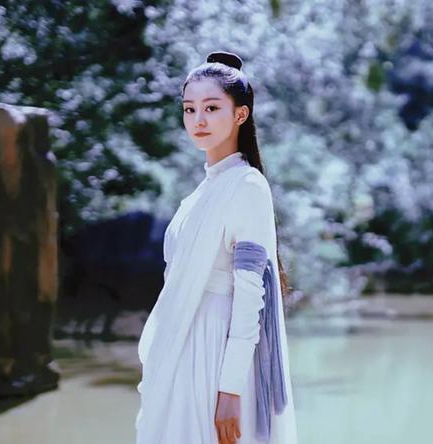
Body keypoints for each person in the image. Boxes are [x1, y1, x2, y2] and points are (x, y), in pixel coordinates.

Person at [135, 51, 298, 444]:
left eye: (211, 108)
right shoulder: (199, 194)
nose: (199, 120)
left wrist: (230, 389)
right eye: (189, 109)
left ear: (240, 114)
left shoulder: (247, 185)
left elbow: (248, 295)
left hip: (215, 349)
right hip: (180, 344)